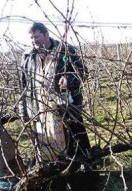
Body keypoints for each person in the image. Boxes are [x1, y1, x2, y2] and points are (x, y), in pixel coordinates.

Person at [18, 22, 91, 167]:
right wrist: (23, 110)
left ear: (46, 34)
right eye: (32, 38)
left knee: (73, 140)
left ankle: (80, 169)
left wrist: (69, 80)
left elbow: (82, 72)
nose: (34, 40)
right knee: (45, 140)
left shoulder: (65, 50)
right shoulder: (28, 56)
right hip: (39, 108)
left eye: (37, 36)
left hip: (65, 106)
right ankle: (52, 170)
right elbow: (23, 85)